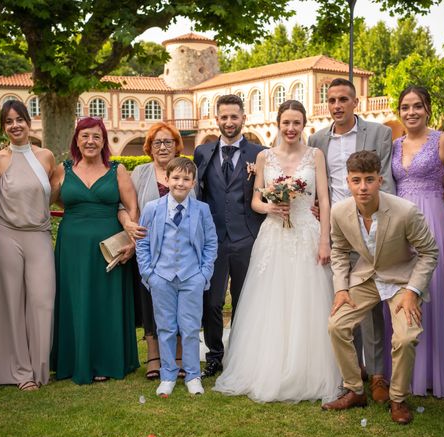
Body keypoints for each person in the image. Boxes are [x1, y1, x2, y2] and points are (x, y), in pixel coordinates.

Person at [213, 100, 340, 403]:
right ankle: (267, 366)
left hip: (307, 232)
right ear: (278, 124)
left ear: (304, 124)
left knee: (307, 300)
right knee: (272, 301)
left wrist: (326, 240)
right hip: (273, 234)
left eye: (297, 123)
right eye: (286, 123)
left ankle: (306, 369)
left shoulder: (315, 156)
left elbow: (324, 197)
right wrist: (272, 206)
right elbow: (256, 200)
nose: (291, 128)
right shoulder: (265, 157)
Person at [323, 150, 438, 424]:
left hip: (401, 281)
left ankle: (397, 399)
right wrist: (341, 289)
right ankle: (354, 390)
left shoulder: (405, 211)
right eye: (356, 180)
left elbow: (429, 252)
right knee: (336, 326)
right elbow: (339, 251)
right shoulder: (339, 212)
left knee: (406, 337)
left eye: (369, 180)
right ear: (348, 182)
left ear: (380, 180)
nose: (363, 187)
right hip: (366, 279)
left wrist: (413, 292)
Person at [308, 77, 394, 403]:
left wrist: (377, 226)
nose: (337, 105)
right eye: (332, 100)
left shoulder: (379, 134)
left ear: (355, 102)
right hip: (337, 231)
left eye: (344, 99)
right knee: (343, 301)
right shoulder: (317, 139)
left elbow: (385, 183)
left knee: (371, 309)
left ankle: (378, 376)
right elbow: (318, 184)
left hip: (371, 228)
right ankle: (352, 375)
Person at [50, 117, 139, 385]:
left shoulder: (117, 170)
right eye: (85, 136)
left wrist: (130, 242)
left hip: (109, 246)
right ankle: (74, 360)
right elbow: (40, 199)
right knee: (75, 299)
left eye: (96, 137)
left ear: (104, 141)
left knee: (105, 301)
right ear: (76, 139)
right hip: (72, 247)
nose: (90, 141)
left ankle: (106, 360)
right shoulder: (62, 170)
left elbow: (132, 208)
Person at [390, 86, 444, 397]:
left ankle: (436, 372)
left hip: (432, 220)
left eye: (417, 106)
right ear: (399, 112)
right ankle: (405, 372)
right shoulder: (393, 146)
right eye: (405, 107)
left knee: (433, 290)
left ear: (428, 109)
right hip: (400, 225)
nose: (411, 112)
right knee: (403, 290)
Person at [0, 100, 57, 391]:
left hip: (39, 234)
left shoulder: (46, 157)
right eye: (8, 121)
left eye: (19, 120)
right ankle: (21, 373)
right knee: (11, 302)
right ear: (4, 128)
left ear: (29, 122)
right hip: (4, 235)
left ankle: (41, 369)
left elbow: (49, 195)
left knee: (42, 300)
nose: (15, 125)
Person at [195, 94, 266, 377]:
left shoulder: (260, 153)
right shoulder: (203, 152)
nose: (229, 122)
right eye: (223, 117)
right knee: (211, 301)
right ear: (217, 119)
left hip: (247, 236)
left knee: (243, 300)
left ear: (243, 119)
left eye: (234, 117)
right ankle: (214, 355)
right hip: (213, 239)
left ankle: (240, 355)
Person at [136, 157, 217, 396]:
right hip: (161, 276)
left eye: (186, 179)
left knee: (190, 327)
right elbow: (142, 242)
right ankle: (168, 374)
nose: (180, 183)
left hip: (192, 276)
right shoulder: (153, 208)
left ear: (193, 183)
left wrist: (204, 274)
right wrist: (149, 274)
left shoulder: (202, 210)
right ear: (167, 179)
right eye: (176, 178)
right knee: (166, 327)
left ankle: (192, 375)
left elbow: (211, 243)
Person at [127, 122, 194, 380]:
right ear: (149, 148)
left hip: (182, 252)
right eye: (157, 143)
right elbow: (126, 205)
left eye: (168, 142)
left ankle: (178, 357)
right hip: (150, 252)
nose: (163, 147)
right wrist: (127, 223)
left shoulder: (187, 170)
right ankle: (154, 357)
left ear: (177, 146)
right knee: (151, 304)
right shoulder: (140, 172)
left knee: (180, 304)